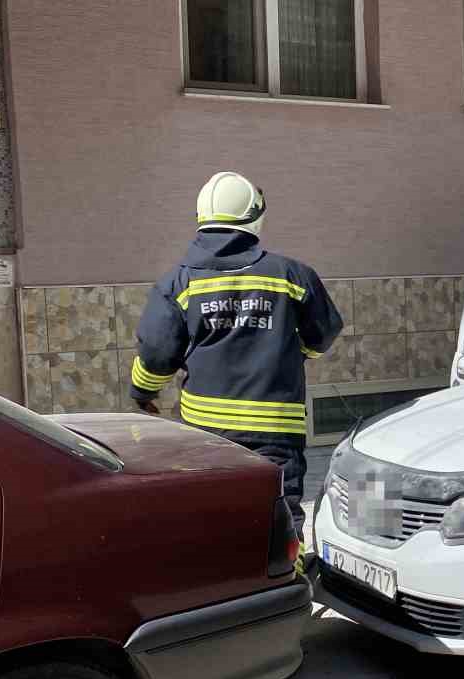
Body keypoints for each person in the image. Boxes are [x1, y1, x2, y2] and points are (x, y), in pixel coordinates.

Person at [130, 171, 343, 544]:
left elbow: (157, 352)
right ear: (255, 217)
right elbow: (324, 332)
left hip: (205, 431)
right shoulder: (292, 275)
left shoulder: (178, 283)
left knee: (210, 513)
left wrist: (141, 392)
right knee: (279, 512)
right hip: (276, 428)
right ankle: (284, 588)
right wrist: (293, 355)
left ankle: (226, 583)